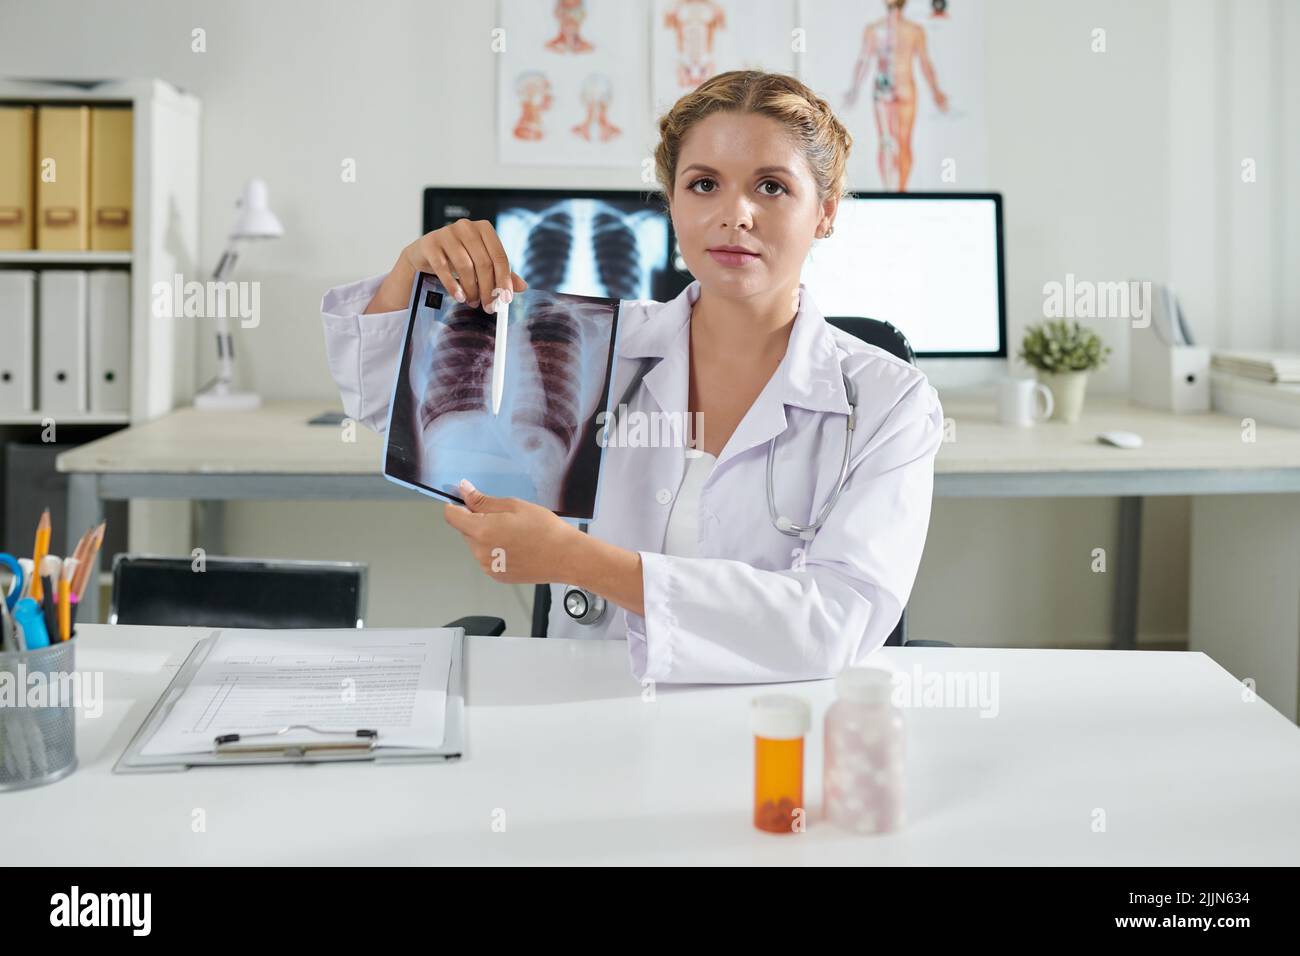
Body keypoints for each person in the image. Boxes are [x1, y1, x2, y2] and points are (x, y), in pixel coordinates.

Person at [320, 70, 944, 684]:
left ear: (826, 212)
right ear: (671, 202)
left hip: (777, 731)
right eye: (704, 185)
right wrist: (414, 269)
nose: (736, 215)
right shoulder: (593, 342)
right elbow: (385, 409)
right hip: (587, 707)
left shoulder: (889, 403)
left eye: (772, 187)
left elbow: (835, 618)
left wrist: (578, 560)